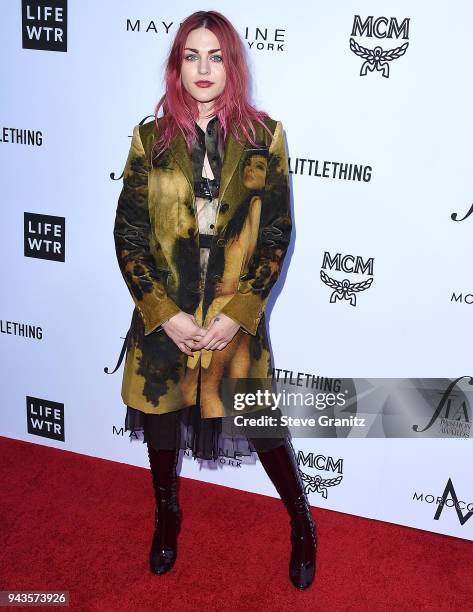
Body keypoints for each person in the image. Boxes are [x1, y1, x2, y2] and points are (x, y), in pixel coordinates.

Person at [113, 10, 317, 590]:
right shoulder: (149, 141)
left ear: (232, 64)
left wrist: (237, 315)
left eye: (216, 56)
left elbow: (276, 234)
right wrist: (163, 314)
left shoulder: (263, 137)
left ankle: (301, 520)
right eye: (191, 56)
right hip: (165, 318)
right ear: (177, 65)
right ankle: (167, 515)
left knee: (262, 426)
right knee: (161, 423)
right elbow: (128, 233)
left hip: (234, 319)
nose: (204, 68)